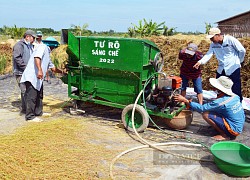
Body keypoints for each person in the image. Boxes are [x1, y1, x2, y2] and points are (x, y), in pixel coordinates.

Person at [174, 76, 245, 141]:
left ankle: (225, 135)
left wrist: (185, 100)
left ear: (220, 90)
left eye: (216, 88)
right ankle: (221, 127)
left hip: (233, 130)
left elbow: (202, 108)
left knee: (206, 114)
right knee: (214, 110)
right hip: (239, 126)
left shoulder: (220, 102)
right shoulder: (235, 97)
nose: (214, 89)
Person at [193, 27, 246, 102]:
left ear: (218, 35)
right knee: (219, 87)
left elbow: (242, 50)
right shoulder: (213, 44)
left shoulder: (230, 40)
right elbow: (209, 54)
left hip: (233, 68)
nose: (211, 40)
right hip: (221, 69)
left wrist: (239, 61)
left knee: (235, 88)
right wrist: (200, 62)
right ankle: (221, 105)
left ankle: (237, 105)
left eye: (212, 38)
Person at [20, 44, 63, 122]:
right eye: (54, 47)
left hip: (38, 78)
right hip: (32, 76)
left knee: (39, 95)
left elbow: (53, 68)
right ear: (51, 46)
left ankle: (38, 112)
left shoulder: (48, 55)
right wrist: (40, 70)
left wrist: (63, 71)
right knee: (32, 97)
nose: (54, 49)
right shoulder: (43, 47)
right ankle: (30, 116)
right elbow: (37, 57)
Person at [12, 29, 37, 114]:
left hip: (27, 72)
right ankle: (26, 111)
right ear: (27, 37)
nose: (34, 40)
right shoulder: (19, 45)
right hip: (20, 72)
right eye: (33, 38)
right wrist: (26, 68)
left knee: (28, 91)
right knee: (24, 91)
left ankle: (26, 109)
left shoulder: (29, 45)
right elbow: (17, 58)